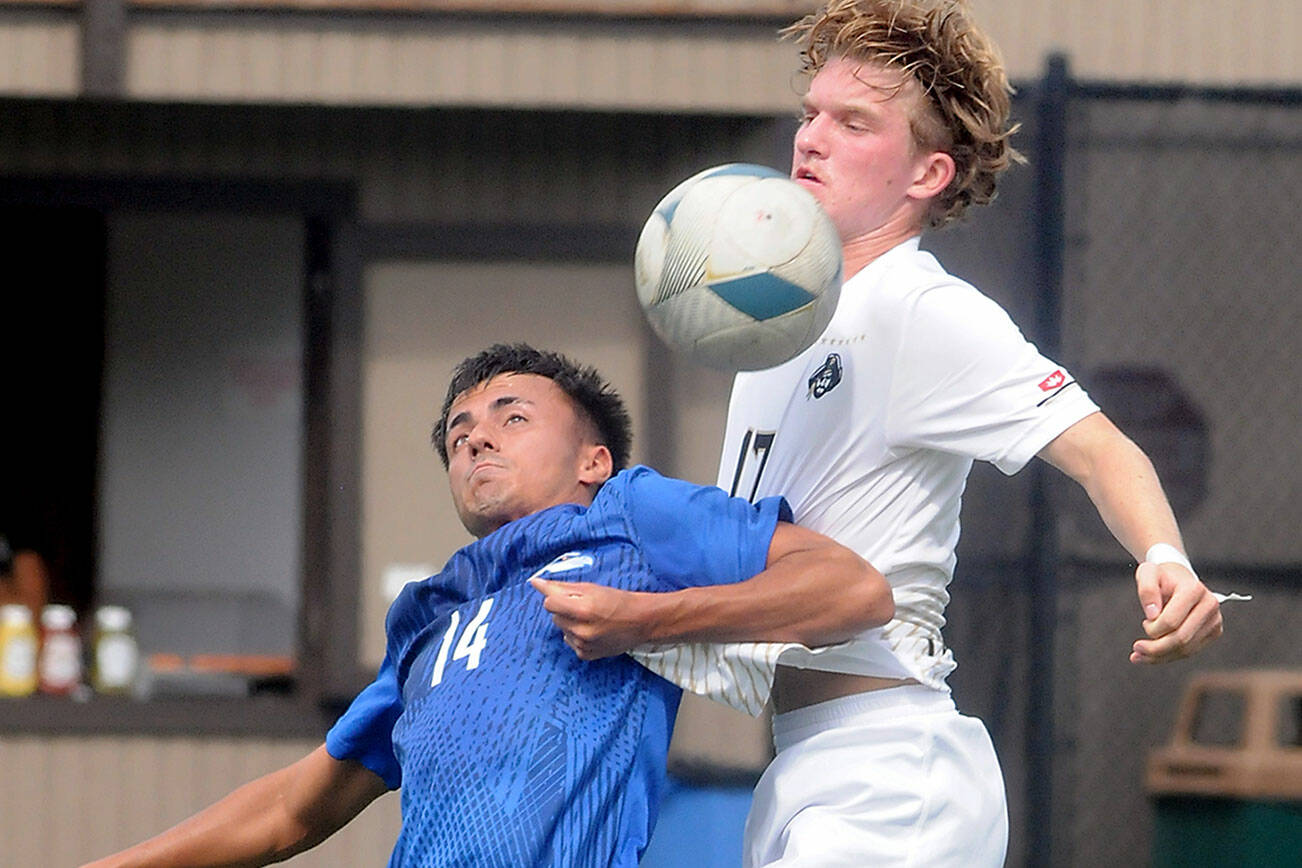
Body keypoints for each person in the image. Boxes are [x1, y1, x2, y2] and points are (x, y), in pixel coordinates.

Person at [537, 3, 1226, 866]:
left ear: (925, 174)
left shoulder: (918, 308)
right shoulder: (777, 329)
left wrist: (1166, 560)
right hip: (809, 766)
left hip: (892, 776)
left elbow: (1101, 447)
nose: (810, 140)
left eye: (853, 122)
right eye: (810, 114)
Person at [83, 343, 893, 868]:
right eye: (460, 431)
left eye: (513, 417)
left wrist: (642, 623)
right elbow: (293, 808)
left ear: (593, 460)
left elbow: (853, 591)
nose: (476, 437)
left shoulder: (630, 515)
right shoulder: (431, 619)